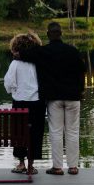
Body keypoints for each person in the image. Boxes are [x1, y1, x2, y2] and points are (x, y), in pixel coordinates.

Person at [16, 22, 85, 175]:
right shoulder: (73, 51)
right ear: (61, 34)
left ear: (48, 35)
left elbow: (23, 55)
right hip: (73, 97)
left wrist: (16, 54)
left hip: (54, 98)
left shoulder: (43, 52)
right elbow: (82, 71)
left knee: (56, 131)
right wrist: (81, 91)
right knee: (73, 131)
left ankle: (57, 167)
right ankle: (73, 166)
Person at [3, 32, 45, 175]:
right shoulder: (39, 62)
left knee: (19, 132)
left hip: (20, 101)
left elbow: (9, 83)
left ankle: (21, 163)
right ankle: (31, 165)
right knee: (36, 132)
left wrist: (14, 91)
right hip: (37, 102)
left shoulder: (15, 63)